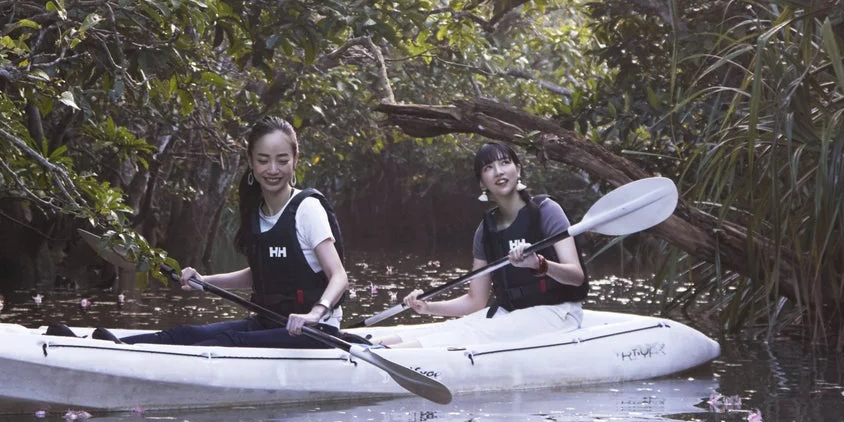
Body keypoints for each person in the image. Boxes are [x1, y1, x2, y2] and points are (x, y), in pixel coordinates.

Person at [113, 117, 349, 348]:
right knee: (184, 334)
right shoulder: (256, 210)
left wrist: (316, 313)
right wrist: (204, 281)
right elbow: (260, 273)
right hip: (270, 323)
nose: (273, 169)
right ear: (251, 161)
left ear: (295, 160)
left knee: (227, 343)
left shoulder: (307, 209)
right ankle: (109, 347)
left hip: (313, 331)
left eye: (282, 160)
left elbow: (339, 276)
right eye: (263, 160)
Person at [397, 142, 588, 343]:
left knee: (467, 336)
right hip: (511, 314)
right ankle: (382, 347)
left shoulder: (547, 211)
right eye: (488, 168)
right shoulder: (485, 231)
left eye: (505, 163)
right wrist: (428, 307)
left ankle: (397, 356)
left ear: (518, 169)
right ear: (482, 182)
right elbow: (475, 301)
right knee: (439, 331)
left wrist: (540, 264)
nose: (498, 172)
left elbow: (576, 277)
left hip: (558, 313)